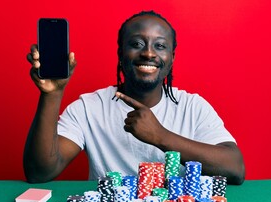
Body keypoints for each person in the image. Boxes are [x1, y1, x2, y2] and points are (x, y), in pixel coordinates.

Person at [24, 11, 245, 185]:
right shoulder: (89, 107)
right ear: (121, 54)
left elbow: (235, 168)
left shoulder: (192, 107)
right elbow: (40, 172)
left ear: (172, 58)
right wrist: (52, 95)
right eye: (137, 44)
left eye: (160, 46)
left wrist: (161, 136)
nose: (148, 53)